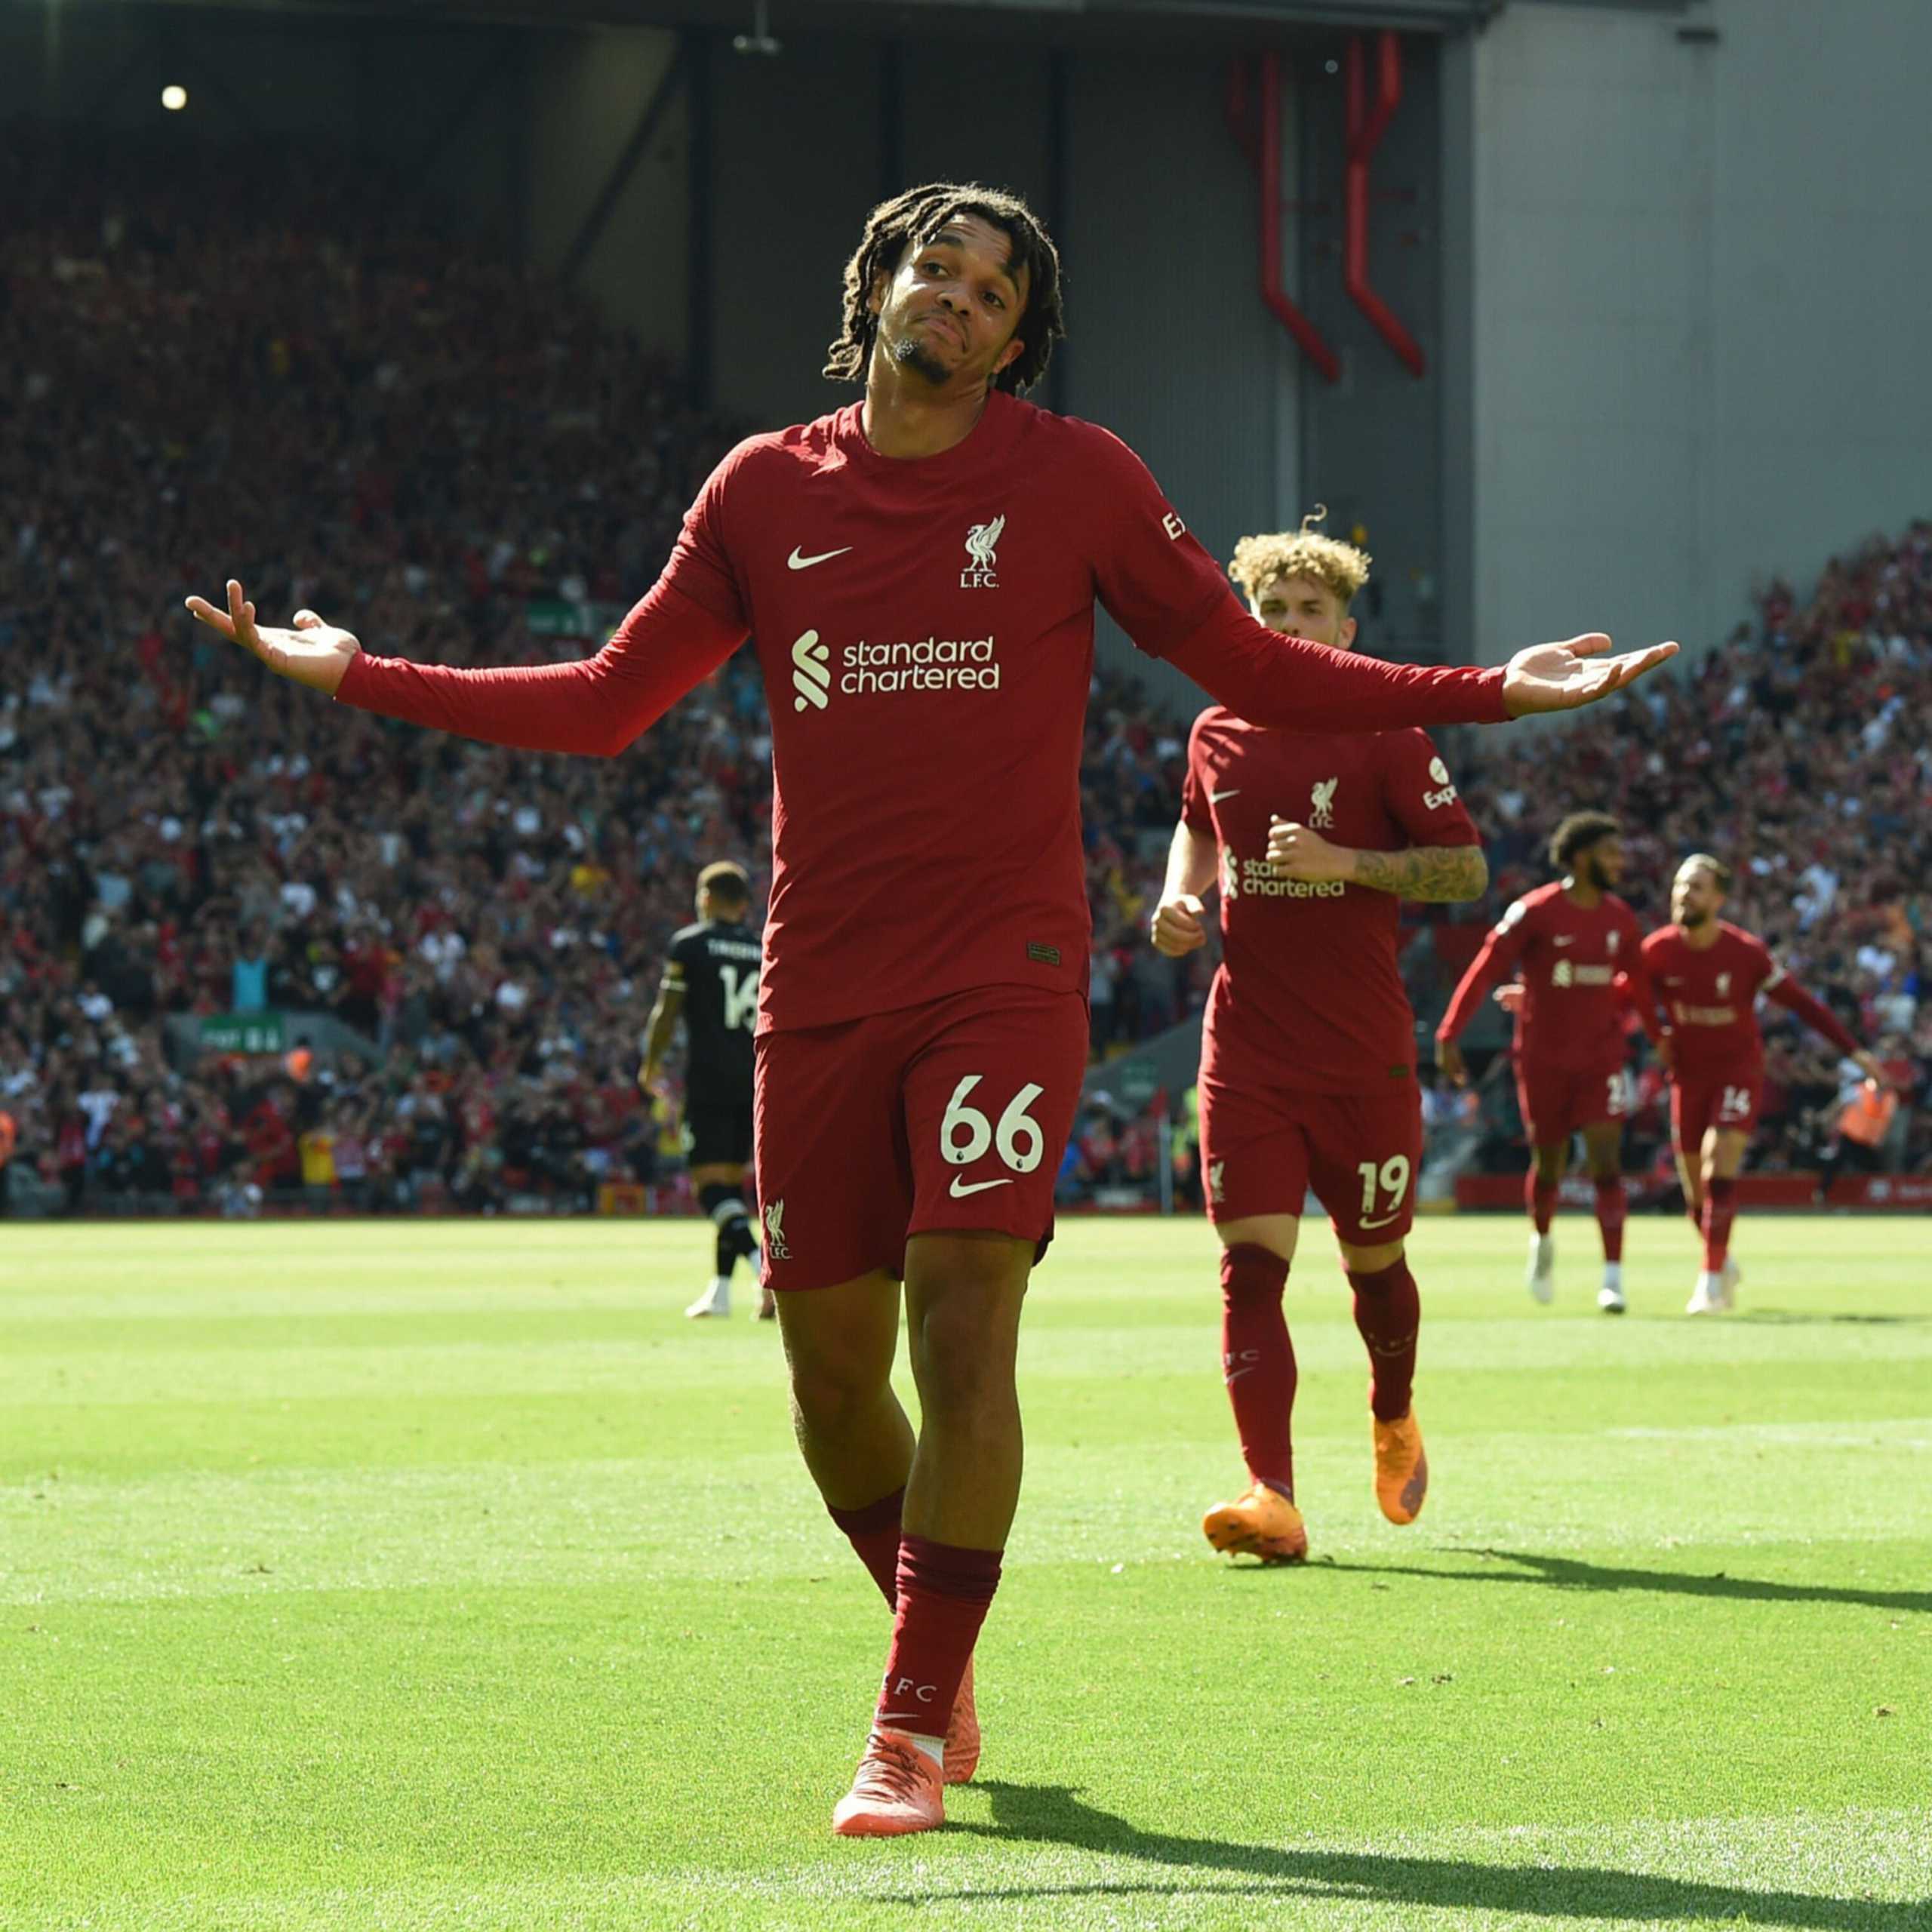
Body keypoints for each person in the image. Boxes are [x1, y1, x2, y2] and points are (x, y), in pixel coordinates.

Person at [186, 182, 1675, 1838]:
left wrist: (1491, 688)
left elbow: (1251, 664)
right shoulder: (761, 489)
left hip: (1003, 973)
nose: (955, 301)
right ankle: (937, 1642)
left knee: (962, 1323)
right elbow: (608, 704)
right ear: (880, 284)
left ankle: (904, 1724)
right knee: (830, 1381)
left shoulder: (1077, 476)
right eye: (936, 270)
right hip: (822, 980)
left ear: (1016, 341)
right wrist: (362, 673)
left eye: (990, 293)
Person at [1150, 514, 1488, 1564]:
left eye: (1309, 610)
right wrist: (1178, 896)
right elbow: (1197, 825)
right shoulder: (1216, 731)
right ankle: (1272, 1494)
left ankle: (1392, 1411)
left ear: (1345, 630)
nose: (1289, 625)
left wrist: (1349, 862)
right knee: (1250, 1270)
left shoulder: (1388, 735)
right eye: (1271, 610)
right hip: (1248, 1050)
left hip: (1361, 1054)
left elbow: (1466, 869)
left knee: (1374, 1266)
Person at [1635, 854, 1886, 1315]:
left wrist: (1854, 1051)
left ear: (1719, 899)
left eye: (1696, 887)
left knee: (1718, 1165)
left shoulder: (1745, 953)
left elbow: (1802, 1003)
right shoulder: (1657, 950)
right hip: (1688, 1076)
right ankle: (1721, 1261)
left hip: (1737, 1071)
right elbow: (1621, 991)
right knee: (1694, 1194)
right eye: (1680, 885)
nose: (1684, 894)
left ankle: (1709, 1283)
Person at [1435, 813, 1650, 1313]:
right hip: (1543, 1060)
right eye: (1610, 853)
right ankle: (1543, 1240)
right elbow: (1485, 967)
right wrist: (1449, 1032)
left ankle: (1613, 1278)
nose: (1620, 862)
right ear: (1580, 856)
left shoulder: (1620, 918)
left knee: (1606, 1162)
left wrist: (1661, 1039)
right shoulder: (1534, 912)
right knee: (1550, 1164)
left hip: (1601, 1059)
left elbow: (1639, 987)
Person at [639, 861, 771, 1319]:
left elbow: (666, 1011)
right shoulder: (761, 948)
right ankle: (720, 1293)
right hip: (753, 1080)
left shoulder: (690, 944)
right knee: (730, 1186)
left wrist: (650, 1064)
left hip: (709, 1080)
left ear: (709, 897)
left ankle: (763, 1268)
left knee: (710, 1190)